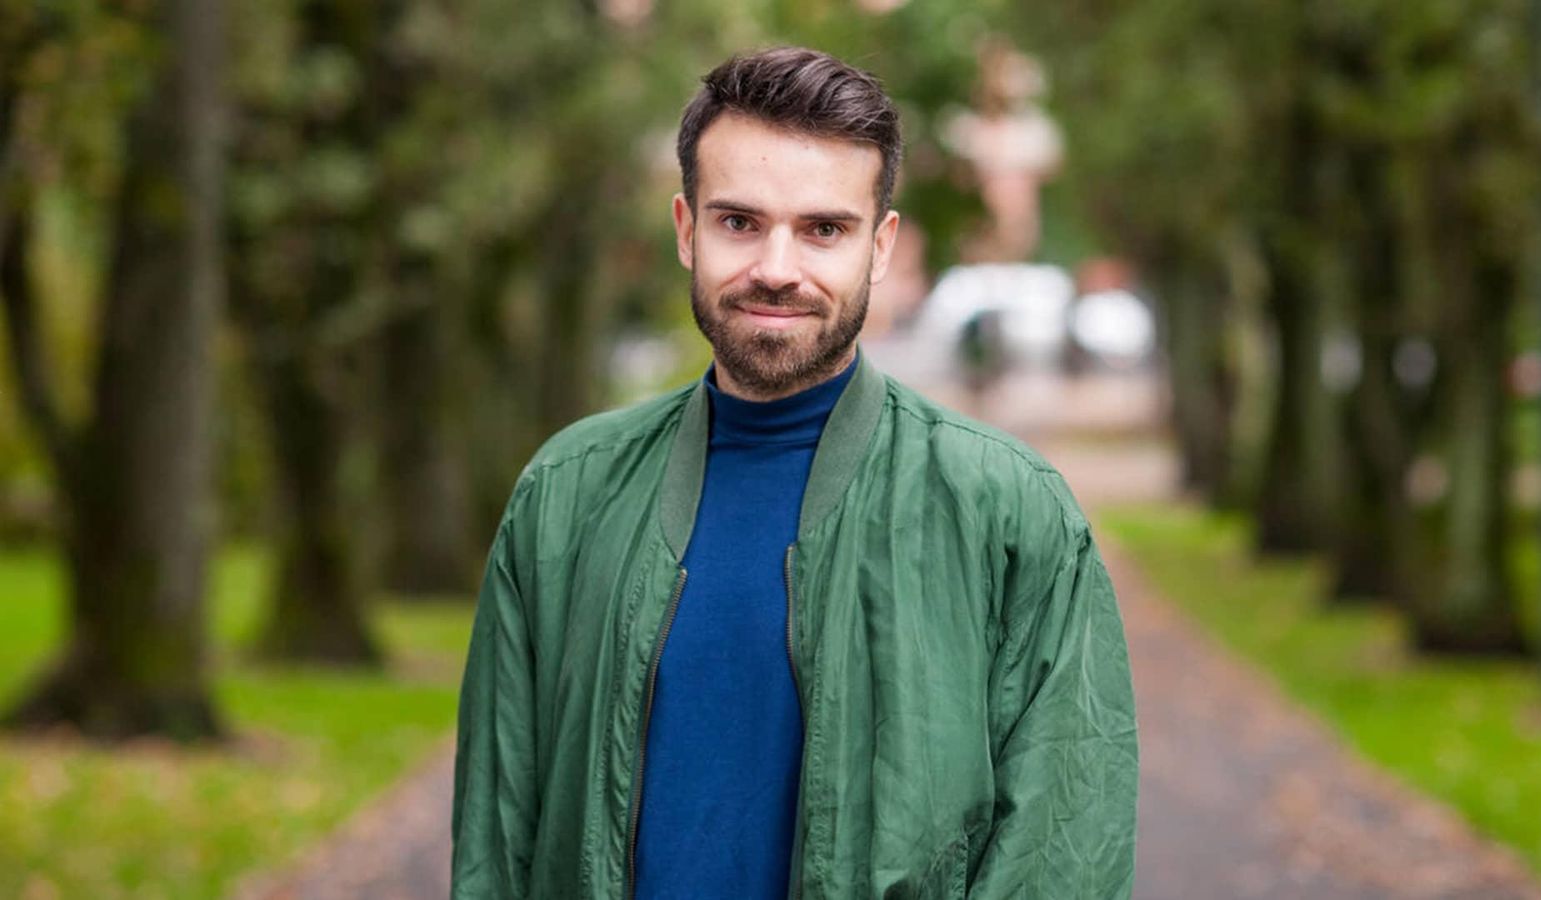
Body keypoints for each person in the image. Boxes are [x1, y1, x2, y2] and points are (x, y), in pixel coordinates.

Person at [450, 47, 1137, 899]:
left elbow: (1063, 851)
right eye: (740, 222)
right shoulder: (565, 496)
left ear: (880, 246)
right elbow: (498, 836)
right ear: (685, 228)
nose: (778, 268)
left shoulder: (1007, 512)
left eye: (824, 229)